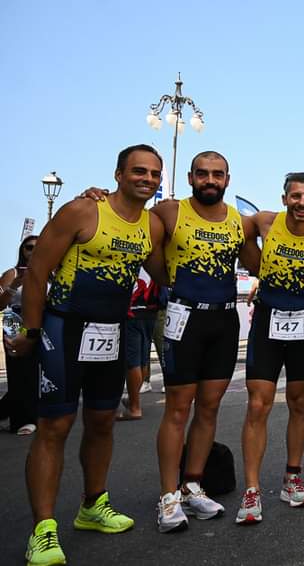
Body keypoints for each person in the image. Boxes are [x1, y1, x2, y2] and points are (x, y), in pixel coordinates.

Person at [12, 145, 164, 566]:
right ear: (118, 174)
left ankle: (92, 506)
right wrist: (30, 330)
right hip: (64, 328)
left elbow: (166, 269)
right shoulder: (82, 210)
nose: (146, 179)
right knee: (55, 425)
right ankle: (42, 530)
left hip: (110, 332)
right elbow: (38, 271)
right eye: (138, 171)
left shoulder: (151, 225)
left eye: (154, 173)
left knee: (101, 422)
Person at [151, 151, 260, 532]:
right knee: (178, 408)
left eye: (217, 175)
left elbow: (258, 264)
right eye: (203, 174)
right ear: (190, 177)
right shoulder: (168, 212)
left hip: (223, 319)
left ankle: (193, 484)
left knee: (209, 407)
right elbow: (145, 250)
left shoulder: (238, 221)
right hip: (185, 318)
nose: (210, 180)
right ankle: (168, 496)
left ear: (228, 179)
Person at [236, 172, 304, 524]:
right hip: (267, 323)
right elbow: (230, 229)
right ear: (284, 199)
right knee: (258, 404)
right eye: (296, 196)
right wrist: (256, 269)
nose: (302, 203)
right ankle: (251, 491)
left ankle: (292, 478)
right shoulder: (265, 222)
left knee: (300, 401)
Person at [1, 235, 39, 435]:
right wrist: (14, 285)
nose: (33, 251)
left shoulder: (49, 272)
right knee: (19, 371)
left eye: (38, 247)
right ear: (22, 251)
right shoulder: (12, 273)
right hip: (15, 321)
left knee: (39, 371)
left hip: (42, 323)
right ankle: (22, 420)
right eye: (29, 247)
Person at [116, 268, 161, 420]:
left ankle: (135, 406)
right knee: (142, 356)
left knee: (133, 360)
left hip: (133, 312)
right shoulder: (152, 256)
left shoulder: (133, 258)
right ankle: (133, 401)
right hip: (151, 312)